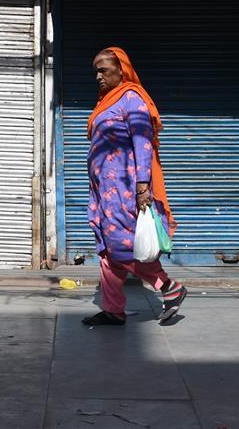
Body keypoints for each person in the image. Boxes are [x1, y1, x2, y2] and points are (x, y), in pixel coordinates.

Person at [81, 47, 187, 326]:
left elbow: (142, 144)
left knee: (121, 246)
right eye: (96, 72)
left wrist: (143, 187)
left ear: (121, 69)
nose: (98, 77)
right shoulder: (106, 102)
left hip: (124, 189)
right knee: (106, 250)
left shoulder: (132, 99)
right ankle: (113, 309)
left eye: (104, 70)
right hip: (103, 190)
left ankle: (168, 287)